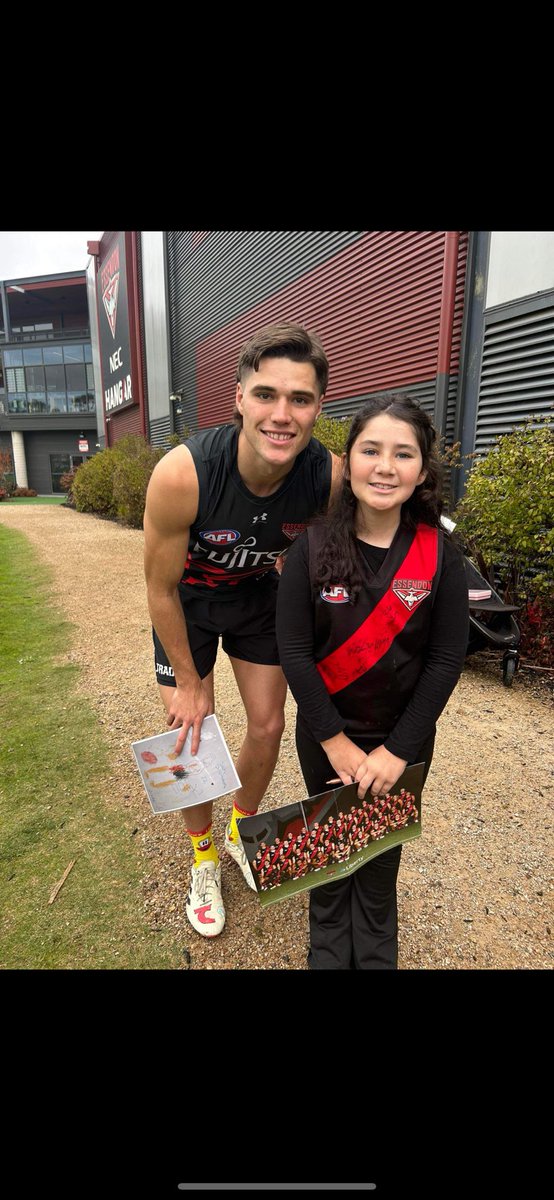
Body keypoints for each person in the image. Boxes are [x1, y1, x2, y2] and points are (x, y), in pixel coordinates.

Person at [143, 321, 342, 937]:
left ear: (318, 408)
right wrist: (188, 678)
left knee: (268, 724)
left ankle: (240, 827)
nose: (281, 415)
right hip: (191, 606)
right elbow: (160, 588)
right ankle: (202, 857)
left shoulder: (327, 477)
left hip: (259, 598)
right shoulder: (184, 473)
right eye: (266, 395)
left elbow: (329, 564)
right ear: (238, 398)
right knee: (189, 733)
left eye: (300, 399)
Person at [275, 393, 469, 969]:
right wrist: (334, 741)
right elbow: (294, 652)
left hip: (404, 746)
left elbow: (445, 659)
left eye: (403, 454)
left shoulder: (441, 554)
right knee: (329, 865)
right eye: (371, 450)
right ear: (348, 461)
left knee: (380, 866)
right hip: (325, 740)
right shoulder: (310, 548)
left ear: (423, 469)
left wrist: (397, 750)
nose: (385, 466)